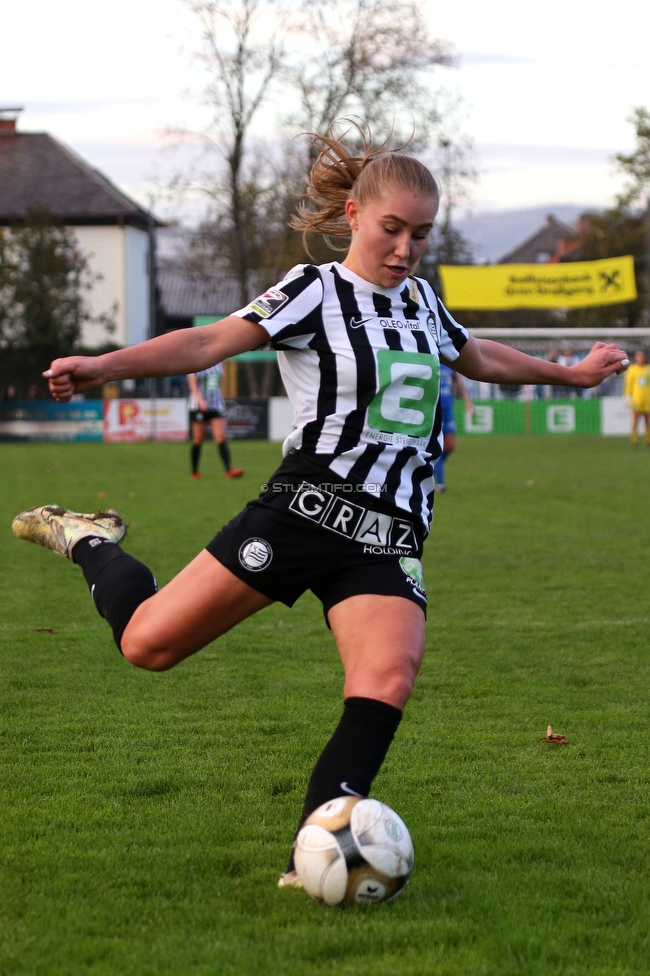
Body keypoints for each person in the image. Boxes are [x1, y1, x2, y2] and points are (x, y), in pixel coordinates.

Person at [11, 130, 628, 890]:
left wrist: (571, 374)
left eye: (422, 234)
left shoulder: (425, 303)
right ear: (354, 214)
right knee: (148, 645)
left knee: (386, 679)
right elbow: (210, 341)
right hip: (302, 513)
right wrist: (104, 366)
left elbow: (481, 356)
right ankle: (89, 539)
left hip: (389, 534)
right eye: (392, 229)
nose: (407, 248)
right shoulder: (314, 291)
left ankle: (314, 857)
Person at [187, 363, 244, 479]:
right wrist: (200, 400)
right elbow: (193, 385)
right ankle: (195, 471)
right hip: (198, 406)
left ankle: (229, 470)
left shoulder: (218, 364)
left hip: (216, 405)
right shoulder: (195, 362)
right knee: (198, 439)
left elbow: (219, 384)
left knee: (220, 437)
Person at [432, 364, 473, 492]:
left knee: (450, 446)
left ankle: (433, 466)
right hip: (433, 409)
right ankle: (441, 485)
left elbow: (457, 381)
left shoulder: (449, 362)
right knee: (438, 447)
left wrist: (467, 401)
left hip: (448, 408)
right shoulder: (430, 357)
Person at [624, 349, 650, 445]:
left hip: (647, 398)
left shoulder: (648, 368)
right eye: (638, 356)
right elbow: (628, 384)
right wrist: (627, 396)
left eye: (642, 356)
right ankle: (634, 439)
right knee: (635, 419)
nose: (640, 358)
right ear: (635, 358)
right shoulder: (632, 369)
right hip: (637, 398)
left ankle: (648, 439)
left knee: (647, 419)